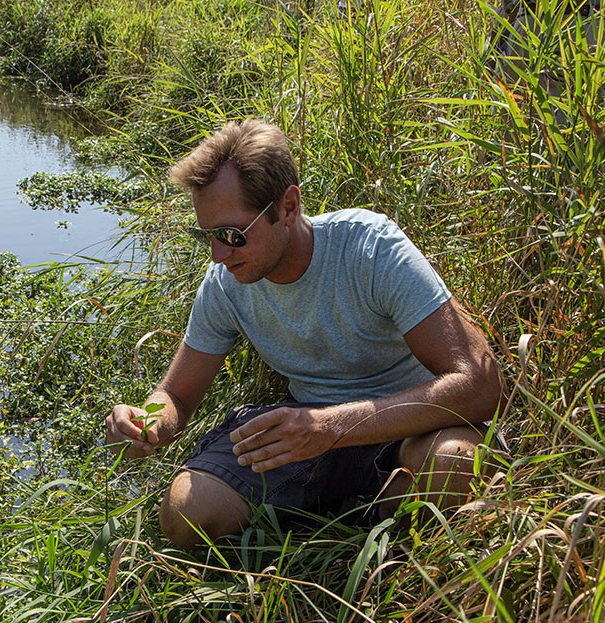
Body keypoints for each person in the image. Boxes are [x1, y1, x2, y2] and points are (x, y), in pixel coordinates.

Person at [105, 119, 505, 548]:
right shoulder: (225, 282)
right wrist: (147, 422)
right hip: (302, 433)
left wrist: (330, 426)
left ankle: (363, 510)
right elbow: (179, 395)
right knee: (188, 515)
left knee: (460, 463)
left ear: (289, 206)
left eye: (233, 235)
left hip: (410, 428)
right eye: (208, 236)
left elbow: (482, 385)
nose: (219, 255)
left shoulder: (370, 249)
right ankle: (364, 508)